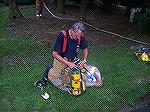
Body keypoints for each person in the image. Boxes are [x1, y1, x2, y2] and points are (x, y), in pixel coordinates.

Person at [34, 22, 103, 93]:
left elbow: (85, 49)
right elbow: (54, 54)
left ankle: (76, 79)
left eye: (80, 36)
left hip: (73, 59)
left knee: (82, 73)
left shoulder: (80, 36)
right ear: (72, 30)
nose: (78, 38)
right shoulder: (63, 35)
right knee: (55, 78)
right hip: (61, 59)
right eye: (76, 36)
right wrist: (68, 63)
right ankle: (50, 71)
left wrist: (84, 60)